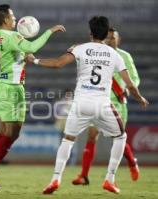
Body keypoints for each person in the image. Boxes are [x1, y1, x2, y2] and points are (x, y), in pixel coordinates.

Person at [26, 16, 148, 194]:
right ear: (106, 34)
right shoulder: (115, 54)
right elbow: (129, 84)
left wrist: (34, 60)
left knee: (67, 139)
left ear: (90, 33)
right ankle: (109, 179)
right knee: (120, 137)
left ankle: (55, 179)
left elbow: (58, 64)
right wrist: (140, 98)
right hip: (102, 105)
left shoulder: (80, 48)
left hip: (80, 104)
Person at [0, 4, 66, 190]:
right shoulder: (11, 36)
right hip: (11, 87)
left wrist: (20, 52)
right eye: (12, 17)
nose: (15, 19)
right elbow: (34, 45)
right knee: (11, 132)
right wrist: (50, 31)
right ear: (4, 20)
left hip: (4, 84)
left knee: (5, 130)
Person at [72, 27, 141, 186]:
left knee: (118, 138)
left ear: (118, 40)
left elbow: (135, 78)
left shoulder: (124, 56)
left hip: (117, 101)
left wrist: (128, 87)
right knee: (92, 134)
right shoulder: (98, 54)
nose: (109, 41)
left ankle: (131, 161)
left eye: (112, 38)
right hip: (99, 100)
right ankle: (83, 176)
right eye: (107, 38)